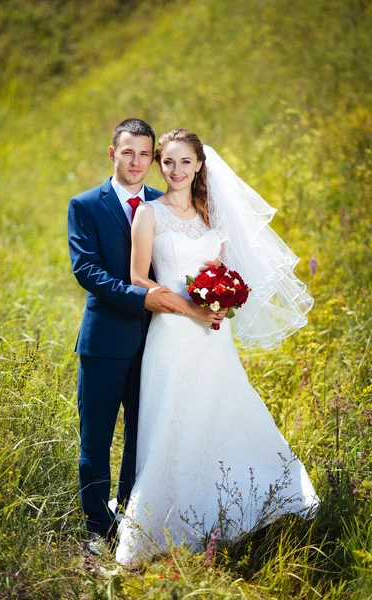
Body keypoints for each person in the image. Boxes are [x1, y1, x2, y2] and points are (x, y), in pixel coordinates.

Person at [115, 129, 320, 567]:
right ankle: (160, 527)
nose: (176, 171)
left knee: (221, 414)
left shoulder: (213, 215)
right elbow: (138, 279)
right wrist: (189, 306)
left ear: (199, 165)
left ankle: (226, 513)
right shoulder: (148, 214)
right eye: (167, 162)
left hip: (213, 335)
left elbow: (223, 270)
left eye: (185, 162)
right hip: (171, 333)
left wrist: (223, 298)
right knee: (172, 421)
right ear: (159, 165)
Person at [67, 120, 223, 554]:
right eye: (127, 152)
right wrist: (143, 300)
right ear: (112, 153)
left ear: (152, 158)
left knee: (144, 438)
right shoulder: (85, 205)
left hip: (161, 344)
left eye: (143, 154)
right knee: (95, 439)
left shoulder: (164, 203)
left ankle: (132, 519)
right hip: (105, 342)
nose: (136, 162)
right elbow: (88, 272)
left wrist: (214, 295)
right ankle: (98, 527)